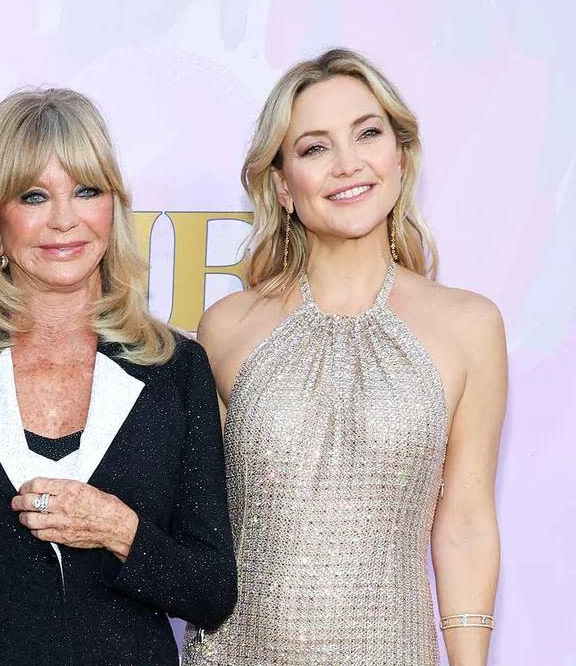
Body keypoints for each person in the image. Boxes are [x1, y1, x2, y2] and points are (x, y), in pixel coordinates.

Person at [183, 48, 506, 665]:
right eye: (314, 147)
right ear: (281, 184)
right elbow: (207, 533)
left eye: (367, 134)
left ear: (400, 157)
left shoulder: (469, 326)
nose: (348, 164)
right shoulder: (225, 330)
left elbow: (465, 524)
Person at [0, 88, 237, 666]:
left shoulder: (173, 370)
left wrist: (120, 531)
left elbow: (211, 591)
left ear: (113, 207)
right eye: (34, 195)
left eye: (86, 190)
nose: (64, 220)